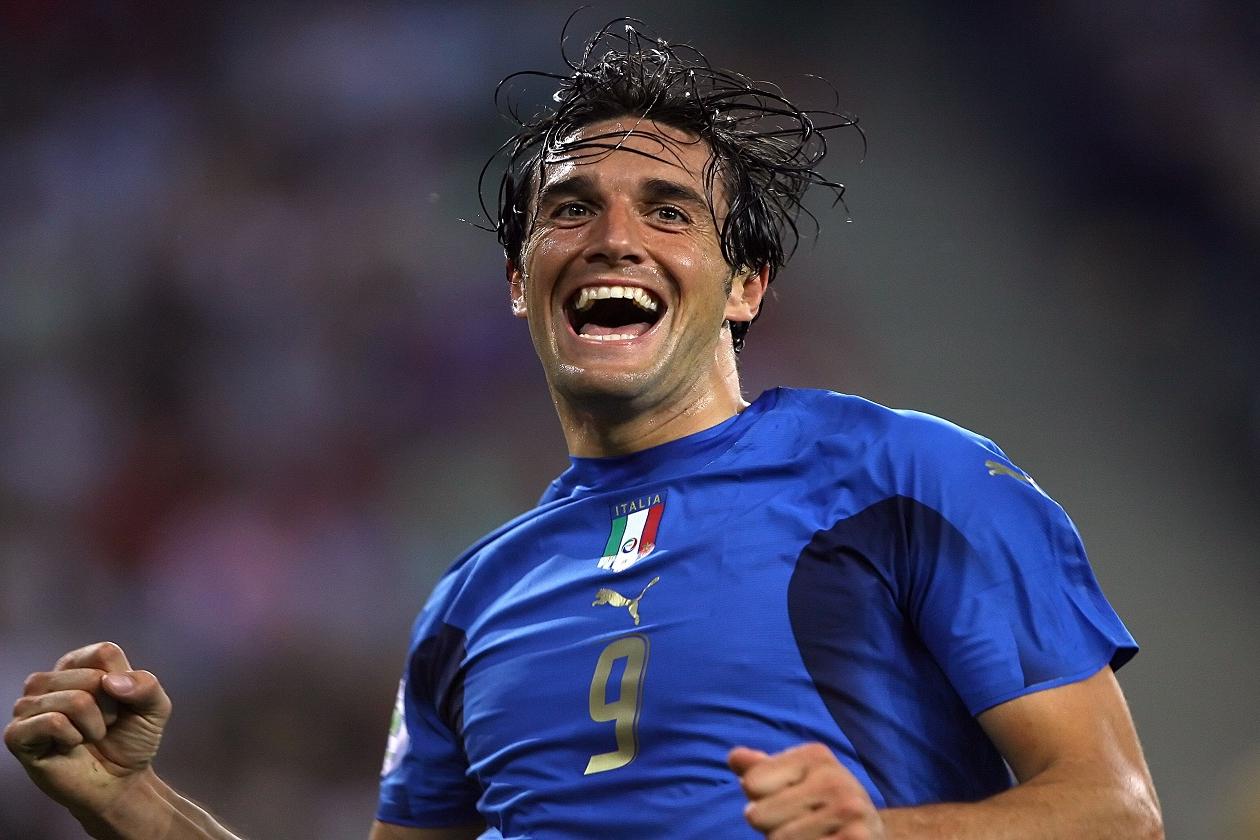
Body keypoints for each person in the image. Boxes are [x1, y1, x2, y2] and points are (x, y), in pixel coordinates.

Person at [6, 18, 1162, 840]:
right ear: (520, 280)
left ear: (747, 284)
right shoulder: (469, 601)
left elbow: (1116, 810)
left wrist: (885, 833)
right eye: (571, 208)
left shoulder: (907, 476)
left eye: (669, 211)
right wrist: (135, 806)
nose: (615, 237)